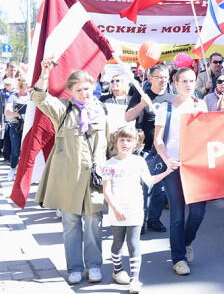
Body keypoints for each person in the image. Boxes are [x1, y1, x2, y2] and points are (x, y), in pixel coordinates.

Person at [32, 58, 108, 285]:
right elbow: (39, 98)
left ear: (93, 86)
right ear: (71, 91)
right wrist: (45, 73)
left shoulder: (101, 110)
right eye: (78, 89)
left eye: (87, 88)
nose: (84, 92)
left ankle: (93, 266)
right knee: (71, 224)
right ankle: (74, 268)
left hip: (94, 178)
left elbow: (108, 143)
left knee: (94, 223)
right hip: (69, 178)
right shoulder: (63, 109)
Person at [103, 125, 177, 293]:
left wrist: (166, 172)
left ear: (135, 143)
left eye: (129, 140)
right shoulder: (109, 164)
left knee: (134, 243)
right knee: (117, 243)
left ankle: (134, 279)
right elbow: (106, 190)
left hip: (135, 208)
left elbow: (149, 181)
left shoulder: (139, 161)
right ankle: (117, 270)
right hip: (116, 210)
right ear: (115, 142)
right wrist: (115, 208)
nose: (125, 143)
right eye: (122, 140)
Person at [154, 67, 208, 275]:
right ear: (175, 83)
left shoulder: (200, 104)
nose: (188, 84)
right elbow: (159, 140)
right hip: (173, 165)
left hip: (196, 165)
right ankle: (178, 258)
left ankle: (185, 242)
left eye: (191, 81)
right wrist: (167, 160)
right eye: (183, 81)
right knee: (177, 213)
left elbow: (210, 132)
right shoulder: (165, 108)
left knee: (198, 212)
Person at [125, 64, 174, 234]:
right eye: (159, 76)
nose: (163, 80)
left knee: (160, 189)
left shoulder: (171, 98)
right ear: (151, 78)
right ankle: (141, 220)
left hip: (164, 150)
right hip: (145, 150)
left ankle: (154, 219)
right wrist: (141, 104)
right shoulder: (141, 95)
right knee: (145, 187)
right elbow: (127, 117)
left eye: (166, 77)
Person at [4, 77, 29, 181]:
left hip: (28, 125)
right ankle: (13, 169)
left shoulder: (32, 96)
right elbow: (7, 111)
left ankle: (26, 173)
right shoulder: (14, 96)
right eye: (28, 84)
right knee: (15, 150)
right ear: (23, 85)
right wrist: (20, 114)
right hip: (16, 125)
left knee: (28, 149)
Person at [1, 77, 16, 162]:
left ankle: (11, 157)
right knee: (6, 138)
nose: (13, 87)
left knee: (12, 139)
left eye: (14, 85)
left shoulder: (16, 95)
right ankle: (7, 156)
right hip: (5, 120)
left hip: (14, 119)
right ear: (6, 86)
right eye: (11, 85)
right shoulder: (2, 94)